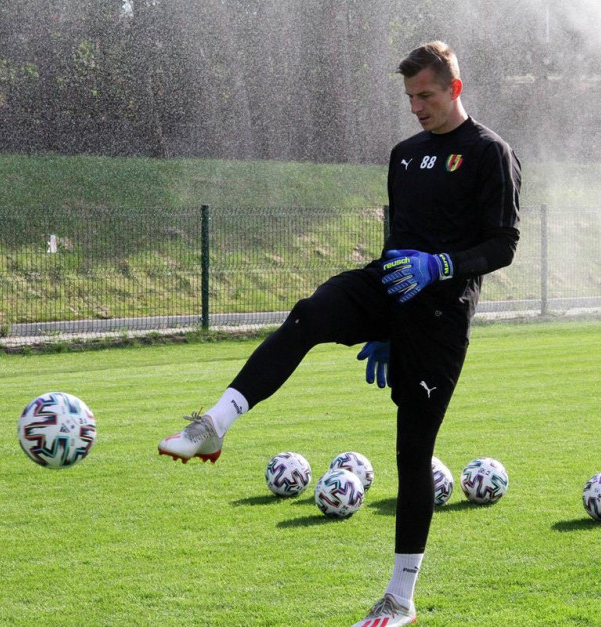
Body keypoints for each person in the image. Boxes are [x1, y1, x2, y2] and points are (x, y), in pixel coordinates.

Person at [158, 40, 521, 627]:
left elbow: (503, 244)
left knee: (413, 453)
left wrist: (439, 267)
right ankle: (213, 424)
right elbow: (397, 235)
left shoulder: (489, 152)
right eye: (409, 97)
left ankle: (399, 601)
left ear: (454, 88)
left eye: (426, 96)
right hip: (390, 289)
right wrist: (383, 324)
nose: (416, 108)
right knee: (310, 313)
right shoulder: (404, 155)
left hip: (440, 318)